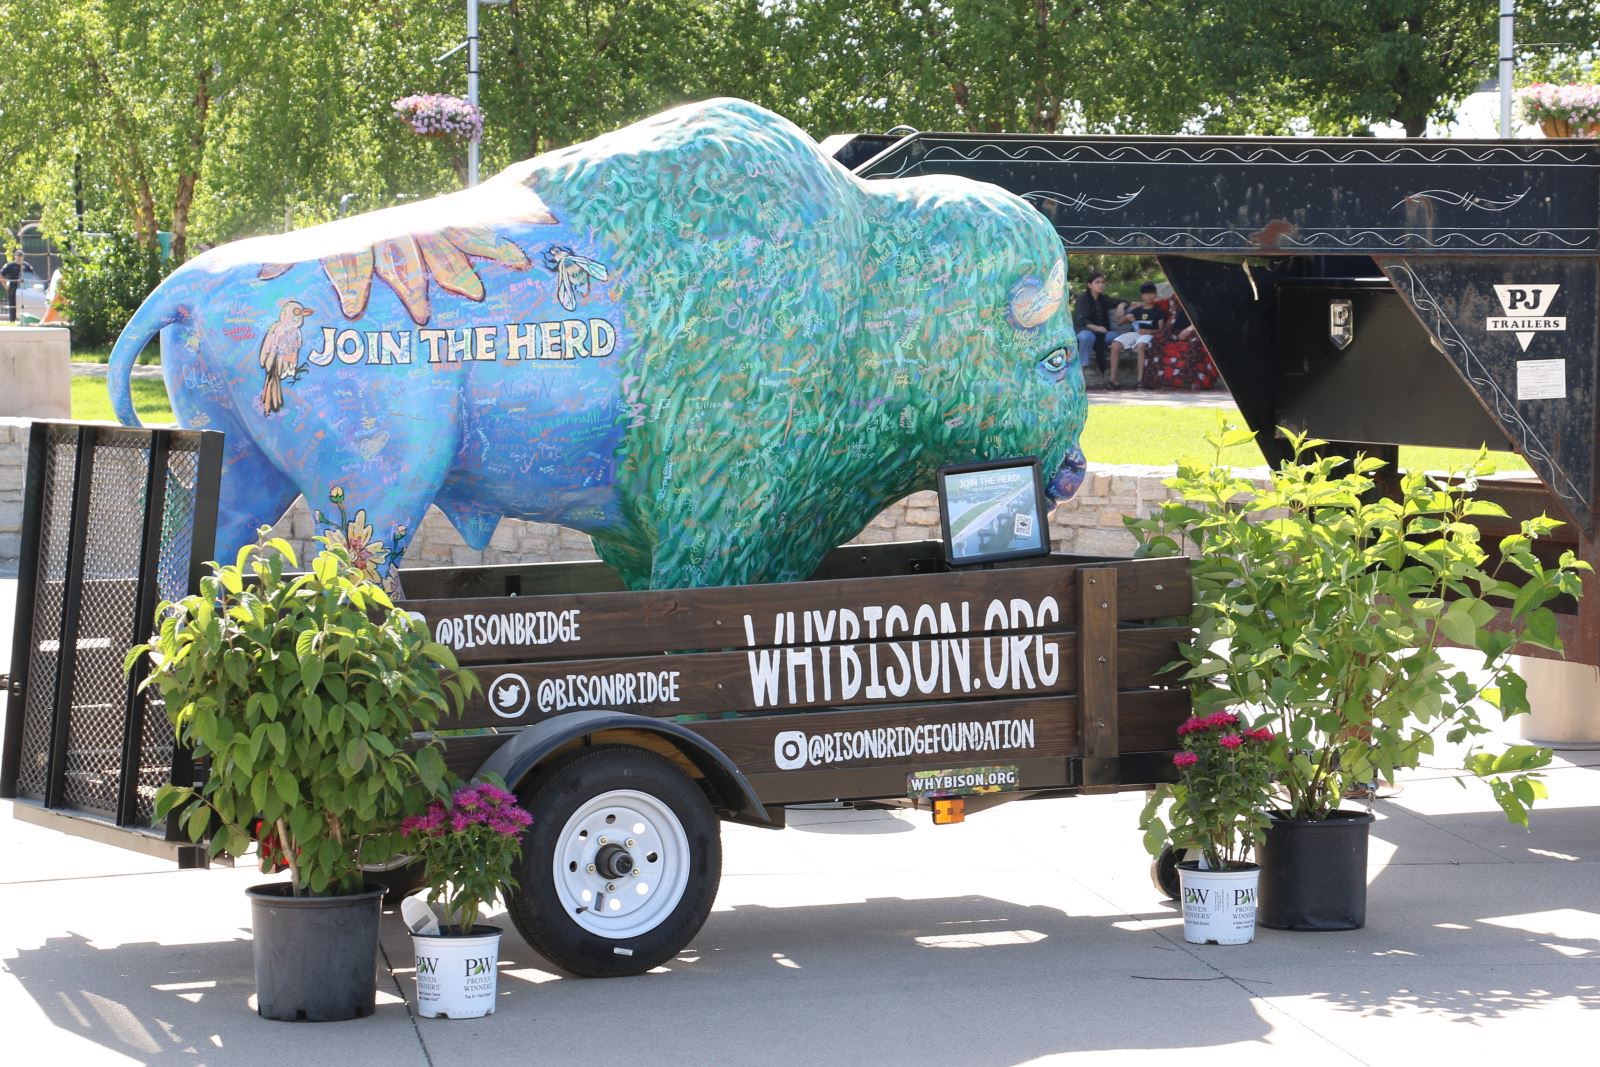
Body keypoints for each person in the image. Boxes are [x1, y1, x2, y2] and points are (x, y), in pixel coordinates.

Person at [1108, 282, 1167, 389]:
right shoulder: (1137, 310)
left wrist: (1149, 331)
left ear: (1155, 295)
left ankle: (1140, 380)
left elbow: (1161, 329)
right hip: (1135, 334)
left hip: (1149, 335)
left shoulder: (1159, 312)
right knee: (1115, 344)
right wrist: (1127, 317)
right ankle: (1113, 380)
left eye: (1152, 293)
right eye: (1146, 294)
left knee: (1141, 346)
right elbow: (1120, 322)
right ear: (1142, 296)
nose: (1149, 296)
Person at [1072, 272, 1115, 382]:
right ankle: (1083, 368)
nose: (1101, 285)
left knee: (1116, 337)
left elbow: (1118, 301)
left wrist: (1122, 305)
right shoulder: (1083, 299)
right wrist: (1097, 328)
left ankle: (1108, 374)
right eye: (1097, 282)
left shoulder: (1103, 299)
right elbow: (1081, 320)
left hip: (1101, 333)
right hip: (1083, 330)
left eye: (1102, 282)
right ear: (1090, 285)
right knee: (1088, 337)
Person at [1, 250, 23, 323]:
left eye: (21, 256)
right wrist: (5, 285)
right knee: (12, 306)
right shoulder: (10, 265)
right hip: (13, 288)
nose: (19, 257)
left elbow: (32, 276)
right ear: (15, 256)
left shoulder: (25, 266)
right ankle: (12, 321)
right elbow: (0, 274)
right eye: (18, 256)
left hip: (24, 289)